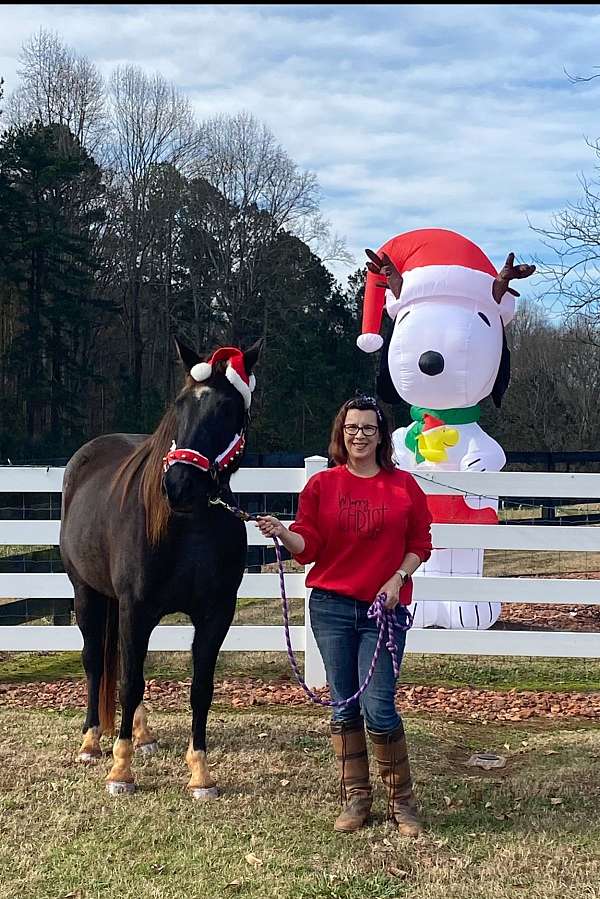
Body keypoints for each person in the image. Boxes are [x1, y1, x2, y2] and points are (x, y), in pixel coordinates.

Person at [256, 395, 432, 835]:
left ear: (381, 434)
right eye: (352, 428)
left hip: (383, 610)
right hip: (332, 607)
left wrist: (397, 578)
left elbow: (420, 543)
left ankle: (402, 800)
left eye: (369, 428)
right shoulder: (322, 486)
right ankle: (356, 798)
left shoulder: (403, 486)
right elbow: (308, 546)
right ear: (342, 432)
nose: (360, 435)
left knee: (379, 707)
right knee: (342, 705)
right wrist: (285, 534)